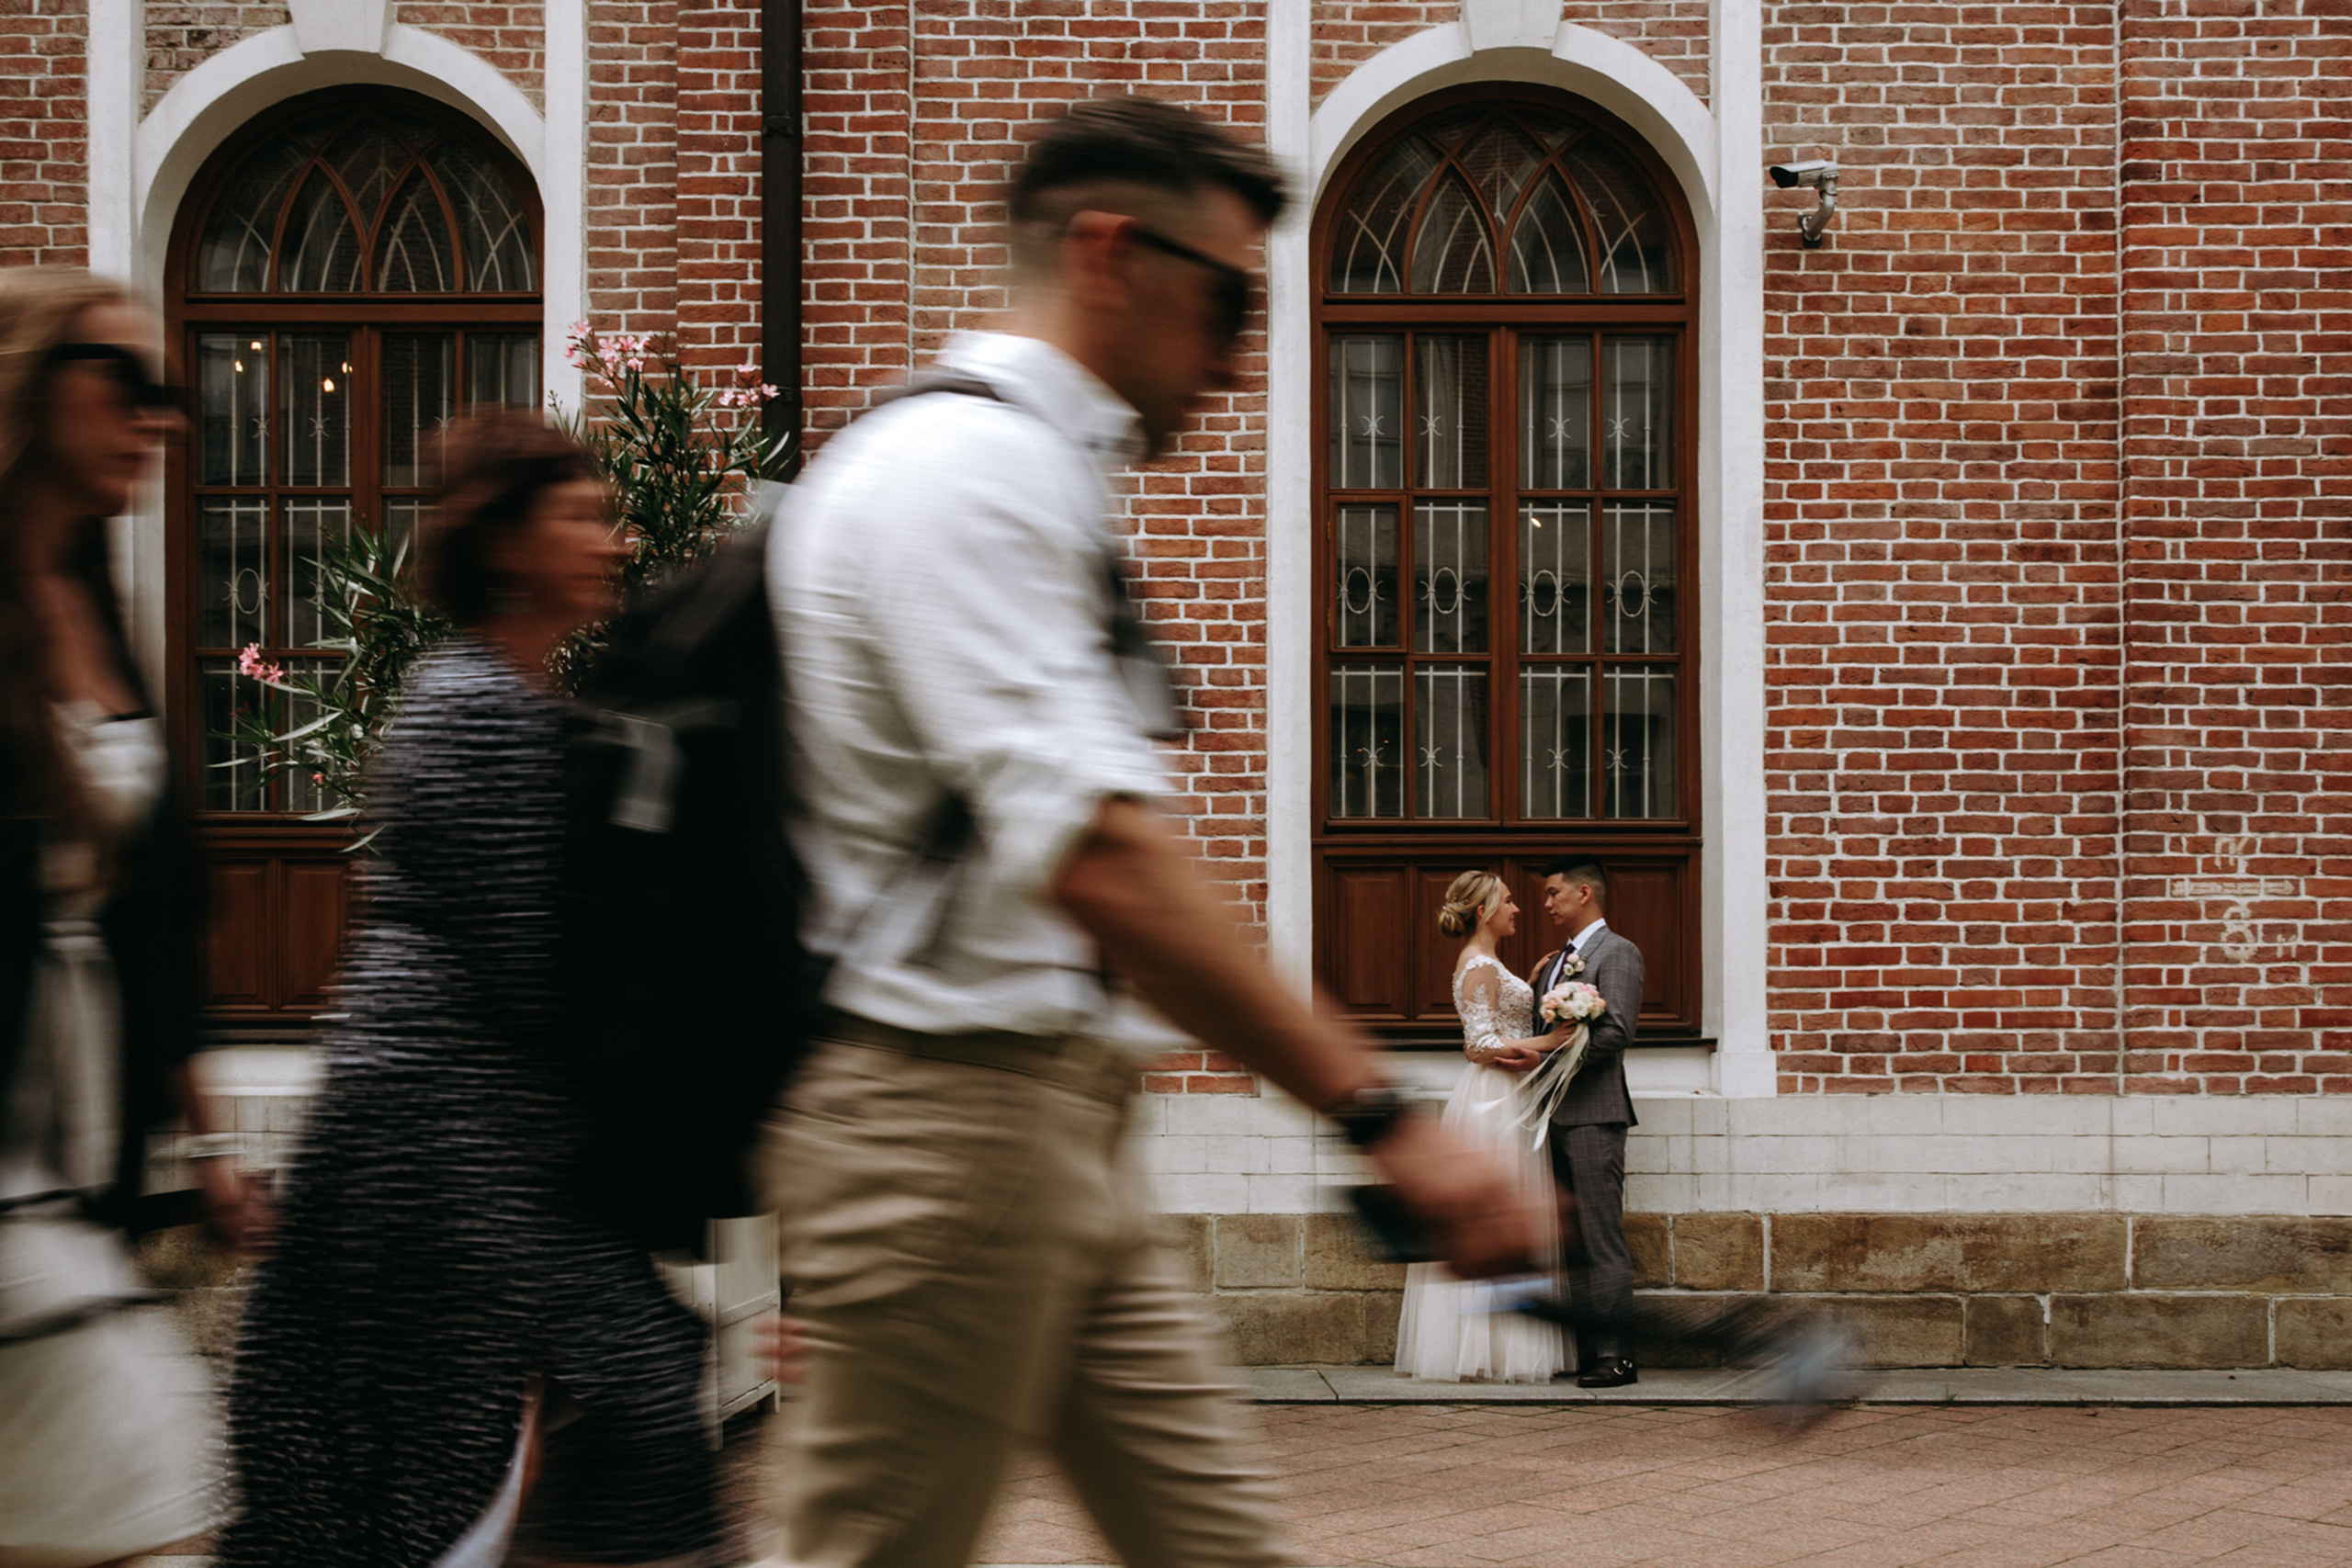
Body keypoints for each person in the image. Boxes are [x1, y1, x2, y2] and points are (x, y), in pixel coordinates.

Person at [763, 95, 1532, 1568]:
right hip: (944, 1119)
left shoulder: (1030, 469)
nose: (1242, 358)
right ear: (1110, 253)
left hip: (1053, 1114)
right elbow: (1102, 858)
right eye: (1230, 301)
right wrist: (1383, 1119)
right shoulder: (963, 474)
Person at [222, 415, 725, 1568]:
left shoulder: (508, 699)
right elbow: (532, 963)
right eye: (580, 517)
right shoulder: (477, 709)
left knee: (554, 1417)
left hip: (478, 1147)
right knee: (530, 1427)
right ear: (506, 544)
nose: (613, 540)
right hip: (445, 1155)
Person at [0, 266, 267, 1568]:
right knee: (160, 1498)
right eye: (126, 382)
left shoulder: (97, 607)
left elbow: (154, 922)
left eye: (170, 393)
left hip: (76, 1162)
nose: (158, 417)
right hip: (15, 1180)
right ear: (32, 388)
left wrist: (207, 1142)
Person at [1392, 872, 1565, 1382]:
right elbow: (1479, 1045)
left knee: (1512, 1205)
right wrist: (1552, 1041)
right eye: (1508, 901)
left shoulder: (1488, 963)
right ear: (1485, 911)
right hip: (1492, 1099)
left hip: (1507, 1093)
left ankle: (1504, 1343)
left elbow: (1500, 1024)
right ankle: (1484, 1349)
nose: (1517, 908)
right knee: (1497, 1210)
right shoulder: (1479, 963)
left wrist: (1529, 987)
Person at [1525, 856, 1645, 1388]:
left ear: (1584, 894)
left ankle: (1618, 1357)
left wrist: (1546, 1059)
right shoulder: (1557, 962)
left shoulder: (1618, 952)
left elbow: (1616, 1031)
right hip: (1553, 1115)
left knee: (1600, 1238)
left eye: (1553, 893)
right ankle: (1586, 1350)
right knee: (1571, 1241)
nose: (1547, 903)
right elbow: (1546, 1025)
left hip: (1595, 1114)